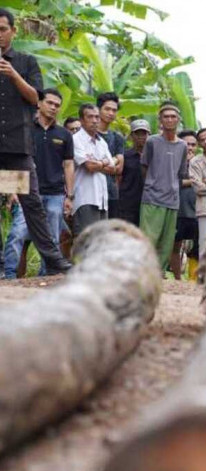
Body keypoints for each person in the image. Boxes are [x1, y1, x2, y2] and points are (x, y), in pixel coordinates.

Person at [0, 8, 71, 274]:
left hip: (16, 149)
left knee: (32, 204)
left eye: (3, 29)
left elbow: (34, 98)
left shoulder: (26, 62)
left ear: (13, 31)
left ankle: (53, 261)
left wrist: (13, 74)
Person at [3, 88, 75, 279]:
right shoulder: (23, 129)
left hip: (55, 193)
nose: (53, 108)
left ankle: (45, 276)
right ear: (39, 103)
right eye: (50, 103)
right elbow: (13, 159)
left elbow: (68, 165)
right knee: (17, 234)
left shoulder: (64, 134)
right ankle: (7, 276)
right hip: (24, 190)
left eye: (57, 105)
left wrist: (70, 196)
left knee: (51, 237)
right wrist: (12, 192)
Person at [140, 103, 188, 270]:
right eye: (166, 117)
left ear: (178, 120)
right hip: (152, 198)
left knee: (167, 243)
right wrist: (153, 185)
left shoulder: (183, 145)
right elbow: (145, 167)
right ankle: (143, 274)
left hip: (172, 199)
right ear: (160, 120)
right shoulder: (152, 141)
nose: (169, 120)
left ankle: (158, 275)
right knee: (148, 239)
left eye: (173, 116)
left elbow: (181, 173)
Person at [71, 103, 114, 236]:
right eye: (90, 117)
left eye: (97, 117)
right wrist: (104, 161)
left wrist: (98, 164)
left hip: (101, 200)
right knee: (85, 242)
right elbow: (89, 166)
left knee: (99, 243)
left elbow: (113, 169)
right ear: (82, 120)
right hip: (84, 198)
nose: (95, 121)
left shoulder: (102, 142)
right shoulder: (76, 140)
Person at [170, 130, 199, 280]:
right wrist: (193, 182)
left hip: (197, 211)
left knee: (196, 249)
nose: (190, 148)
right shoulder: (172, 160)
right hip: (177, 210)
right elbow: (170, 182)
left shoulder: (201, 162)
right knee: (174, 246)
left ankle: (193, 280)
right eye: (187, 144)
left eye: (193, 144)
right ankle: (177, 280)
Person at [96, 92, 125, 219]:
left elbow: (119, 169)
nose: (111, 113)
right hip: (90, 193)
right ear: (98, 109)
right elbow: (86, 165)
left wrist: (97, 165)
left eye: (114, 110)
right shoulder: (88, 135)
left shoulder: (117, 138)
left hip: (111, 193)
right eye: (107, 109)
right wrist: (113, 161)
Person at [117, 119, 149, 226]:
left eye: (144, 133)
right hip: (127, 205)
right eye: (137, 133)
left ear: (148, 135)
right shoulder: (124, 156)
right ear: (131, 135)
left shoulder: (154, 156)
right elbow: (118, 178)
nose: (141, 137)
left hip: (148, 204)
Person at [189, 127, 206, 257]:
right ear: (199, 144)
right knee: (205, 244)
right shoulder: (195, 162)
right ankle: (204, 277)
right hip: (204, 208)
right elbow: (197, 188)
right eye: (202, 140)